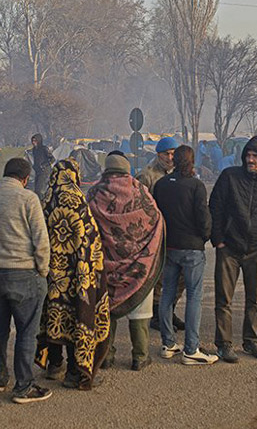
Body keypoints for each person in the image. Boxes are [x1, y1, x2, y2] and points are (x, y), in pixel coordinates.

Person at [0, 158, 52, 404]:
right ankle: (24, 386)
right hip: (23, 272)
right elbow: (41, 240)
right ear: (26, 178)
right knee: (26, 331)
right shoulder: (28, 199)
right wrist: (43, 270)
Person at [209, 136, 257, 362]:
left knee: (255, 299)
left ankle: (251, 340)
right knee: (224, 299)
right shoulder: (230, 177)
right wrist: (218, 239)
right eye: (248, 155)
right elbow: (215, 208)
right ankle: (224, 344)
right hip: (229, 248)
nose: (251, 160)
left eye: (256, 156)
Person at [36, 159, 110, 390]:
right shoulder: (78, 201)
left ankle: (53, 364)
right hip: (76, 275)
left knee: (54, 316)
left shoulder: (45, 201)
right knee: (75, 317)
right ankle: (73, 372)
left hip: (52, 275)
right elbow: (90, 240)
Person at [87, 153, 164, 371]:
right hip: (139, 264)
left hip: (105, 264)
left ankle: (106, 356)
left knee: (107, 309)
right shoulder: (140, 191)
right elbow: (156, 220)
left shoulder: (94, 192)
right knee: (140, 312)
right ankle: (140, 356)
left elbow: (87, 226)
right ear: (126, 168)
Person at [153, 146, 218, 365]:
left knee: (167, 294)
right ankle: (191, 348)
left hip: (169, 246)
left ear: (174, 161)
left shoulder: (161, 185)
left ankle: (168, 343)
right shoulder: (196, 186)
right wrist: (205, 236)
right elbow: (203, 217)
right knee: (194, 297)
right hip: (192, 247)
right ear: (191, 161)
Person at [137, 136, 185, 331]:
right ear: (158, 155)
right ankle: (157, 314)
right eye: (166, 154)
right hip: (155, 232)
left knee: (181, 275)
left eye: (173, 154)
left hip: (176, 230)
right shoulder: (147, 175)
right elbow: (139, 206)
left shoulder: (180, 172)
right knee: (158, 276)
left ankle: (169, 310)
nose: (170, 158)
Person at [31, 134, 55, 200]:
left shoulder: (44, 148)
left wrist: (44, 165)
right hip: (38, 171)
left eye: (35, 141)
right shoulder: (34, 150)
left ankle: (41, 202)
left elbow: (52, 159)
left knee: (39, 190)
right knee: (36, 189)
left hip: (45, 171)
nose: (33, 142)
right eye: (32, 141)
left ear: (39, 141)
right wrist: (35, 166)